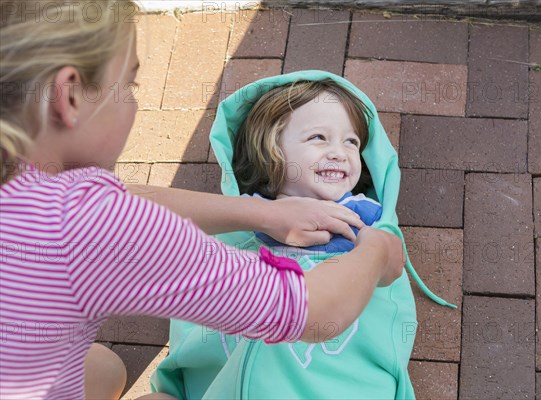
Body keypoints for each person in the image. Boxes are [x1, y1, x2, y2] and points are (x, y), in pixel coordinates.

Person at [0, 2, 407, 399]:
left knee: (104, 368)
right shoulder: (89, 226)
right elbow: (312, 313)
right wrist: (375, 252)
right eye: (127, 86)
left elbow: (112, 202)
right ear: (68, 96)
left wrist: (261, 211)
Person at [151, 72, 456, 399]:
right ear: (270, 148)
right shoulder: (239, 219)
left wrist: (376, 242)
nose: (339, 152)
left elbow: (389, 269)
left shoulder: (363, 216)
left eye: (351, 141)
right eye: (318, 138)